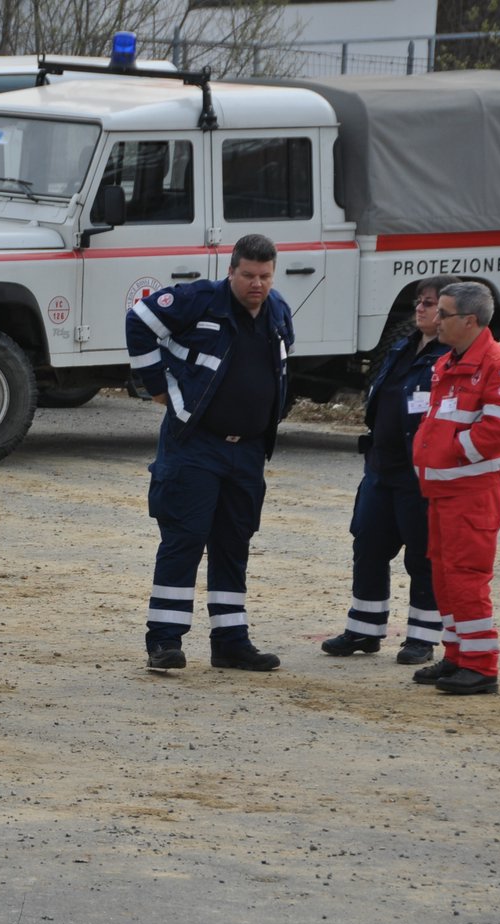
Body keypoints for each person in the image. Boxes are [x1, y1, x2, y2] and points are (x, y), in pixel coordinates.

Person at [126, 233, 293, 673]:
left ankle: (231, 642)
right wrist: (157, 388)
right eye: (248, 275)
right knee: (184, 540)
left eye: (265, 276)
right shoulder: (199, 300)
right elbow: (139, 319)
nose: (257, 284)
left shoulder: (277, 311)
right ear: (231, 270)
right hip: (195, 448)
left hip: (248, 453)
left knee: (233, 544)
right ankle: (164, 641)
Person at [321, 276, 458, 666]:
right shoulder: (402, 347)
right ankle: (364, 628)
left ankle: (421, 638)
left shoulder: (450, 360)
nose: (420, 308)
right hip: (381, 470)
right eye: (419, 301)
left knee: (422, 556)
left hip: (420, 478)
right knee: (368, 546)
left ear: (450, 311)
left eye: (430, 303)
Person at [411, 281, 500, 695]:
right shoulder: (450, 361)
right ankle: (458, 656)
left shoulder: (498, 364)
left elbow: (499, 430)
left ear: (470, 321)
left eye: (444, 313)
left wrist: (452, 452)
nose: (435, 319)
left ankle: (480, 667)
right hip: (444, 492)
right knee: (444, 576)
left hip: (471, 494)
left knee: (466, 577)